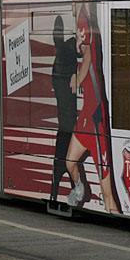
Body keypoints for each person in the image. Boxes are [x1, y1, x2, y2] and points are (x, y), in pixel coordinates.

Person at [65, 0, 122, 213]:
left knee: (107, 186)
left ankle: (113, 210)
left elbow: (88, 56)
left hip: (96, 111)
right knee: (69, 161)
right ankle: (80, 189)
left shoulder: (86, 18)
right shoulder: (81, 20)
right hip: (86, 113)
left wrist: (77, 77)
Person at [49, 15, 78, 202]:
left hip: (65, 126)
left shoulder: (62, 56)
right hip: (67, 126)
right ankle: (67, 186)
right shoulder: (66, 53)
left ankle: (56, 189)